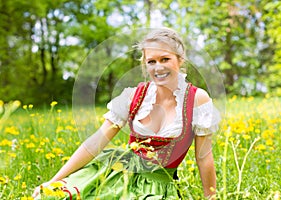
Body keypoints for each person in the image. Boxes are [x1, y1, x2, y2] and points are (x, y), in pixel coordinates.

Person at [32, 27, 220, 199]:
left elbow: (203, 157)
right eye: (151, 61)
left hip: (156, 188)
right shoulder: (133, 97)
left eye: (165, 59)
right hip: (113, 173)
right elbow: (95, 142)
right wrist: (54, 181)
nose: (158, 67)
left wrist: (210, 197)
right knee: (49, 196)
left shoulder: (197, 99)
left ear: (180, 60)